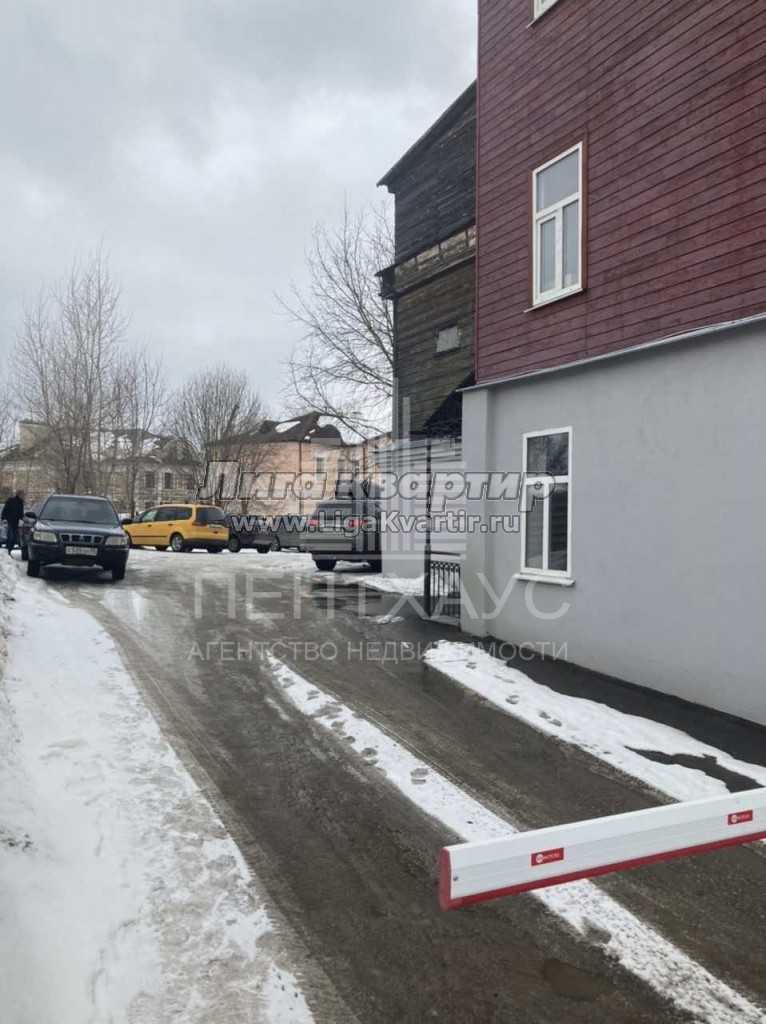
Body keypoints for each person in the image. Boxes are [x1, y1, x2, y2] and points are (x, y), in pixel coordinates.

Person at [1, 489, 25, 556]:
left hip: (15, 523)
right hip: (9, 521)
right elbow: (5, 509)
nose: (23, 496)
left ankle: (9, 550)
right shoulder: (11, 500)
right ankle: (8, 551)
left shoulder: (21, 503)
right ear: (18, 494)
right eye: (22, 494)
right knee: (11, 537)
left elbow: (21, 514)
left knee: (14, 538)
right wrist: (3, 518)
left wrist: (24, 519)